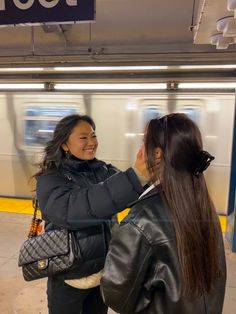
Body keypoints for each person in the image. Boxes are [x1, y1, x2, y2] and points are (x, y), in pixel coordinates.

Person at [101, 113, 227, 314]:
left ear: (157, 154)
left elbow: (116, 296)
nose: (141, 150)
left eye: (144, 143)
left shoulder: (142, 220)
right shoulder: (204, 205)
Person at [34, 114, 148, 314]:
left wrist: (151, 177)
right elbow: (73, 211)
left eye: (93, 136)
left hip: (102, 274)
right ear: (64, 145)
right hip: (68, 278)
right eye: (83, 137)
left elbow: (132, 195)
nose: (92, 142)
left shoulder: (103, 170)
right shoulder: (51, 178)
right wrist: (134, 177)